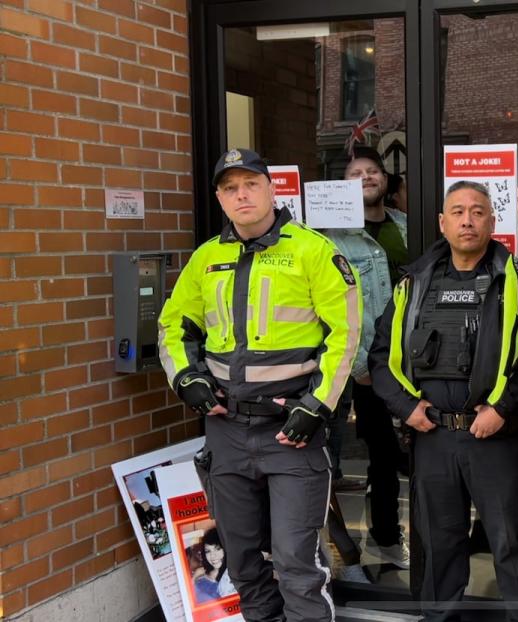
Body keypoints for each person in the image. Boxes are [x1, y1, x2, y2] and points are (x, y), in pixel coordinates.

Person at [159, 147, 362, 622]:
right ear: (219, 198)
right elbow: (173, 326)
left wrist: (317, 405)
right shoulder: (206, 258)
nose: (241, 194)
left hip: (291, 432)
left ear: (272, 190)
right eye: (230, 188)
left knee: (296, 565)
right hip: (227, 433)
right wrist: (187, 377)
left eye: (251, 184)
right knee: (243, 563)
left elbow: (347, 334)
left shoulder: (313, 250)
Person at [369, 181, 518, 622]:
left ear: (491, 221)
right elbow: (380, 355)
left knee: (509, 543)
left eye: (477, 212)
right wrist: (405, 408)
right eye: (457, 212)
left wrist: (502, 408)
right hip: (433, 437)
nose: (467, 220)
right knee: (438, 543)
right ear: (442, 222)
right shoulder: (413, 283)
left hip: (496, 437)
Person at [323, 145, 410, 569]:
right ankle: (362, 543)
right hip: (353, 366)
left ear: (385, 180)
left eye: (372, 170)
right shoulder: (327, 237)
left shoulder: (406, 227)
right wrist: (358, 365)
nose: (366, 177)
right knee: (353, 455)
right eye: (355, 172)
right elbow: (329, 305)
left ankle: (386, 535)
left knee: (391, 453)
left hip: (400, 360)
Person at [194, 528, 237, 603]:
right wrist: (195, 577)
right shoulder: (201, 580)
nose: (213, 556)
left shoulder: (236, 571)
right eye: (208, 551)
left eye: (217, 549)